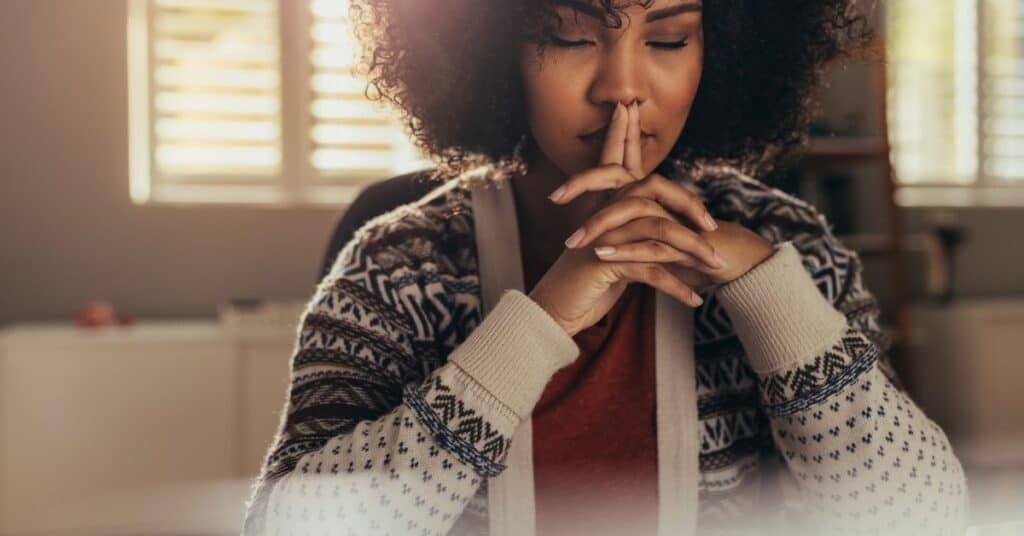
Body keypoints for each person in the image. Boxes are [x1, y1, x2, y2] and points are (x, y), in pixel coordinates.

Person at [241, 1, 968, 534]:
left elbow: (922, 519)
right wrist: (541, 322)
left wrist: (769, 296)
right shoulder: (403, 267)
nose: (623, 86)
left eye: (669, 38)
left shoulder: (787, 244)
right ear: (493, 49)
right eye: (569, 35)